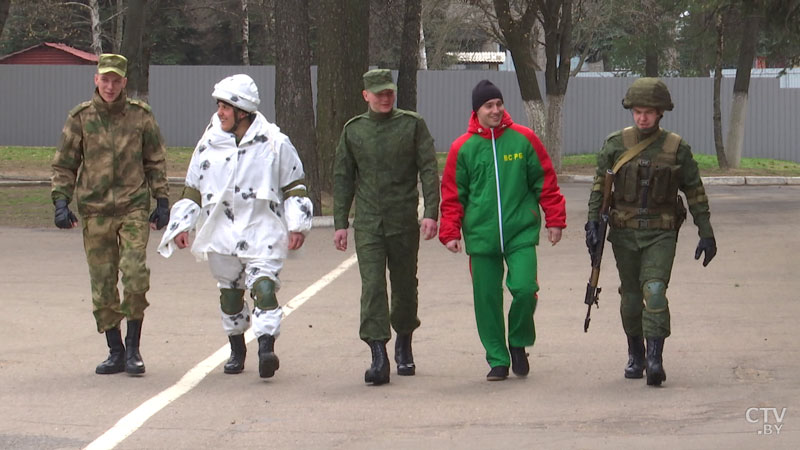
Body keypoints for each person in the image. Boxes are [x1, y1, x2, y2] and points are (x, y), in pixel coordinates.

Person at [157, 74, 312, 379]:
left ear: (242, 111)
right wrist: (181, 226)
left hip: (262, 229)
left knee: (265, 287)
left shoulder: (274, 143)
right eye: (219, 106)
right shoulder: (209, 144)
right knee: (230, 295)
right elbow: (193, 188)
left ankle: (266, 349)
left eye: (226, 107)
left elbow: (294, 186)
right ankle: (237, 349)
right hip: (222, 232)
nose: (220, 113)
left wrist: (298, 225)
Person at [585, 77, 717, 387]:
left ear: (660, 113)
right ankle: (636, 354)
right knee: (630, 298)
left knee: (654, 290)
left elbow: (695, 191)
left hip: (660, 233)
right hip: (624, 234)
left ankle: (656, 359)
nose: (642, 117)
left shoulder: (676, 148)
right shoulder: (615, 144)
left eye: (649, 112)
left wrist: (706, 232)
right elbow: (598, 187)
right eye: (638, 112)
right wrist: (592, 224)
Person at [439, 80, 566, 381]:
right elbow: (453, 194)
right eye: (489, 106)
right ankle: (497, 358)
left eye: (499, 104)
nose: (496, 110)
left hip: (520, 233)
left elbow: (545, 181)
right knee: (487, 299)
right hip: (481, 237)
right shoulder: (463, 148)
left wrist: (555, 219)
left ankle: (518, 341)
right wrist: (450, 231)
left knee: (525, 289)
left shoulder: (524, 140)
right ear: (477, 111)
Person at [51, 53, 170, 376]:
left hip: (133, 207)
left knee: (134, 274)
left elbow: (155, 160)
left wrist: (162, 200)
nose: (110, 86)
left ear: (124, 83)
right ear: (96, 80)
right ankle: (115, 350)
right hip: (96, 211)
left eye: (116, 80)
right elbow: (65, 163)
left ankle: (133, 349)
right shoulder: (81, 118)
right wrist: (60, 201)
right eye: (105, 79)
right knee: (103, 284)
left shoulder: (140, 117)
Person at [333, 69, 440, 386]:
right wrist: (341, 223)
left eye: (389, 92)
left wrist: (431, 212)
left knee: (405, 285)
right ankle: (378, 353)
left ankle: (404, 342)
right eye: (378, 93)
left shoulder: (412, 125)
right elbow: (342, 179)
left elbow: (428, 169)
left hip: (403, 220)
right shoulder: (354, 131)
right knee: (373, 287)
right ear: (366, 95)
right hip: (368, 223)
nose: (384, 98)